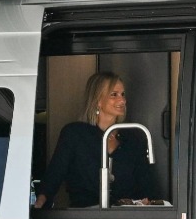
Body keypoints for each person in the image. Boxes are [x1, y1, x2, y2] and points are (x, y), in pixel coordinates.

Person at [36, 71, 161, 208]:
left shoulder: (134, 138)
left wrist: (153, 206)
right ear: (98, 100)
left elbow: (147, 183)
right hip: (85, 215)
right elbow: (55, 174)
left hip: (126, 216)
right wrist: (40, 202)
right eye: (114, 94)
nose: (122, 100)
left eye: (123, 94)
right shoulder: (75, 134)